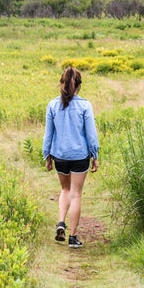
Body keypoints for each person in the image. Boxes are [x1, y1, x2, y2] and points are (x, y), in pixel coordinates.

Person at [42, 66, 99, 248]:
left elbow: (48, 135)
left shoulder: (52, 105)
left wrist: (47, 155)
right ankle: (73, 237)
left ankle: (61, 222)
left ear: (62, 84)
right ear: (78, 86)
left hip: (60, 156)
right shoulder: (85, 105)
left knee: (65, 190)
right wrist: (95, 155)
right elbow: (91, 134)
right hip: (80, 155)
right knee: (76, 195)